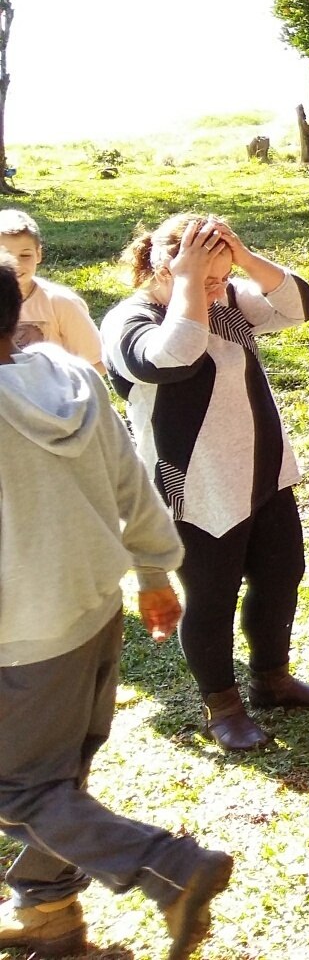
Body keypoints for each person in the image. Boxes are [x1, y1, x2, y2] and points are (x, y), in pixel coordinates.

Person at [0, 253, 234, 959]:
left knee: (22, 791)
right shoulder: (67, 376)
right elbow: (128, 477)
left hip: (23, 635)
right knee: (56, 779)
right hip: (93, 611)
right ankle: (51, 920)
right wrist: (154, 570)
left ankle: (173, 870)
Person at [102, 214, 309, 752]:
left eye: (222, 276)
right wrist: (191, 284)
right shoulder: (131, 320)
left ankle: (271, 679)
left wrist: (245, 258)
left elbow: (300, 307)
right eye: (207, 279)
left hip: (263, 472)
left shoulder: (227, 301)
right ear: (167, 268)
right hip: (196, 486)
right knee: (211, 596)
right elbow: (173, 357)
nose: (219, 288)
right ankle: (223, 706)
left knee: (282, 575)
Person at [0, 210, 101, 370]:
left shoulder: (61, 302)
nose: (16, 264)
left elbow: (96, 361)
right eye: (6, 255)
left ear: (38, 253)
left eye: (25, 255)